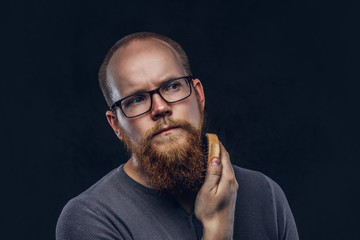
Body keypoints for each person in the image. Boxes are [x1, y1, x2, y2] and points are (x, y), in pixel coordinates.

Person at [56, 32, 299, 240]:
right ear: (115, 125)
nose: (160, 108)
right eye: (137, 99)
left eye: (172, 86)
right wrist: (216, 230)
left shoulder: (264, 194)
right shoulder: (89, 218)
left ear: (199, 96)